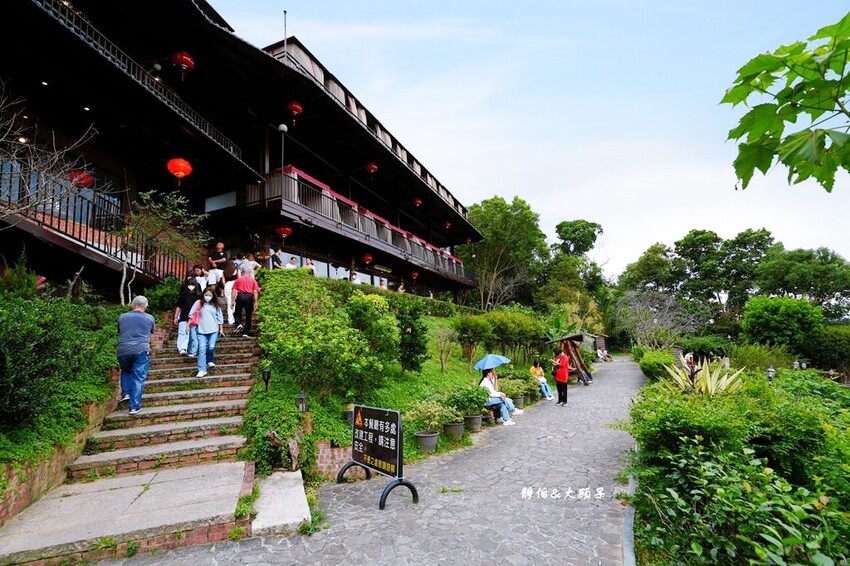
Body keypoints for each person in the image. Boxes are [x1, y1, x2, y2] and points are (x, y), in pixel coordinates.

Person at [117, 295, 156, 415]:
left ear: (133, 305)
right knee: (138, 377)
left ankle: (126, 393)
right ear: (145, 306)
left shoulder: (122, 317)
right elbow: (152, 332)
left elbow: (119, 331)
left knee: (125, 371)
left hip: (123, 349)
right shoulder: (149, 318)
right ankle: (134, 407)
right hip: (140, 349)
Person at [187, 287, 224, 378]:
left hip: (213, 330)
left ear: (213, 296)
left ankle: (209, 360)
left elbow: (220, 318)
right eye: (206, 295)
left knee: (211, 347)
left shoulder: (215, 305)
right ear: (203, 295)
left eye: (210, 295)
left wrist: (221, 329)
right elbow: (191, 314)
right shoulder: (198, 303)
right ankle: (201, 369)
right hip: (201, 330)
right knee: (202, 349)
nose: (208, 297)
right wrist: (188, 325)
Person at [173, 275, 201, 356]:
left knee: (193, 336)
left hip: (195, 319)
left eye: (192, 285)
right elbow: (179, 306)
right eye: (189, 285)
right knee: (183, 332)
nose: (191, 287)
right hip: (184, 317)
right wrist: (176, 317)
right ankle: (182, 349)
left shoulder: (199, 296)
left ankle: (191, 350)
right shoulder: (183, 295)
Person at [231, 266, 261, 338]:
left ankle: (238, 324)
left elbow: (234, 291)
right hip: (249, 297)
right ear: (249, 273)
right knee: (248, 315)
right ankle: (246, 332)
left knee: (237, 312)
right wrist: (256, 302)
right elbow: (255, 292)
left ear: (242, 273)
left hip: (240, 296)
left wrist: (232, 301)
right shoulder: (253, 280)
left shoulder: (238, 280)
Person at [222, 256, 240, 325]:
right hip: (235, 285)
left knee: (229, 303)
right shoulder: (237, 270)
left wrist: (225, 287)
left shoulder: (224, 271)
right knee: (235, 301)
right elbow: (239, 279)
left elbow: (223, 281)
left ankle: (230, 320)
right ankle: (236, 318)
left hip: (227, 285)